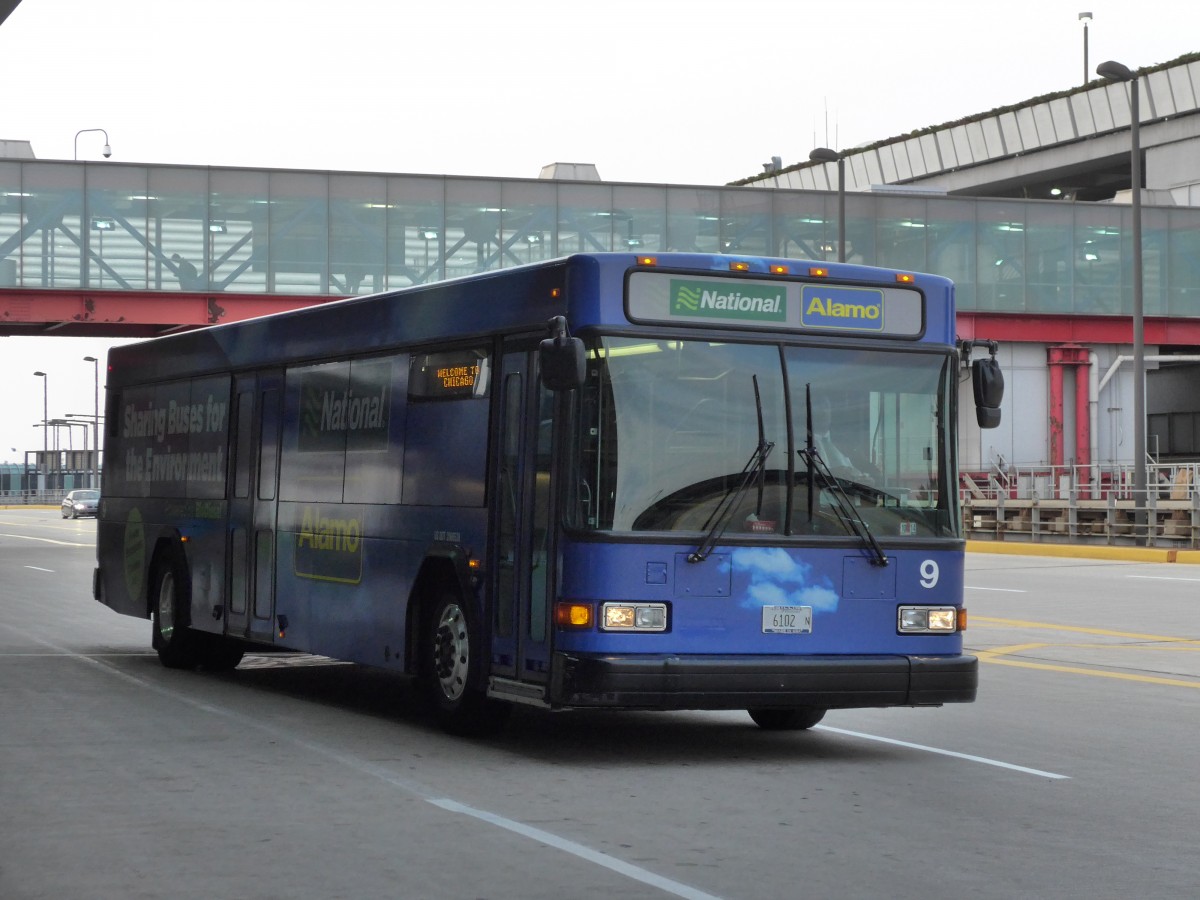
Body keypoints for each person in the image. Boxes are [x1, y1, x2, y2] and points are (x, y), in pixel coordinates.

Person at [809, 394, 867, 479]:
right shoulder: (800, 443)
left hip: (853, 490)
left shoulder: (846, 440)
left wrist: (869, 477)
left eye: (826, 407)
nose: (824, 412)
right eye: (818, 407)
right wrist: (835, 473)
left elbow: (864, 465)